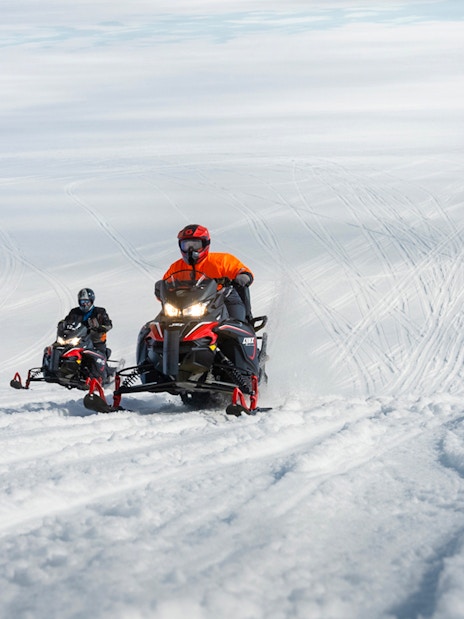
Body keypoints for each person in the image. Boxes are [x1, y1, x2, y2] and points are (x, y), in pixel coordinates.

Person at [156, 224, 254, 322]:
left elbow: (240, 270)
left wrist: (243, 276)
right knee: (157, 325)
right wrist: (160, 289)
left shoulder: (222, 260)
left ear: (205, 244)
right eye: (186, 245)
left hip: (223, 298)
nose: (191, 249)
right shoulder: (176, 267)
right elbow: (166, 285)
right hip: (187, 305)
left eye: (195, 245)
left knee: (236, 323)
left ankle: (243, 332)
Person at [63, 288, 113, 356]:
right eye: (82, 302)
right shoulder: (74, 312)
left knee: (99, 355)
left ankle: (103, 365)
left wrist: (99, 327)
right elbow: (67, 321)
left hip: (96, 340)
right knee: (59, 347)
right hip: (77, 339)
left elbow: (108, 325)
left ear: (91, 301)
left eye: (87, 302)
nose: (85, 304)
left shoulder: (100, 311)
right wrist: (62, 324)